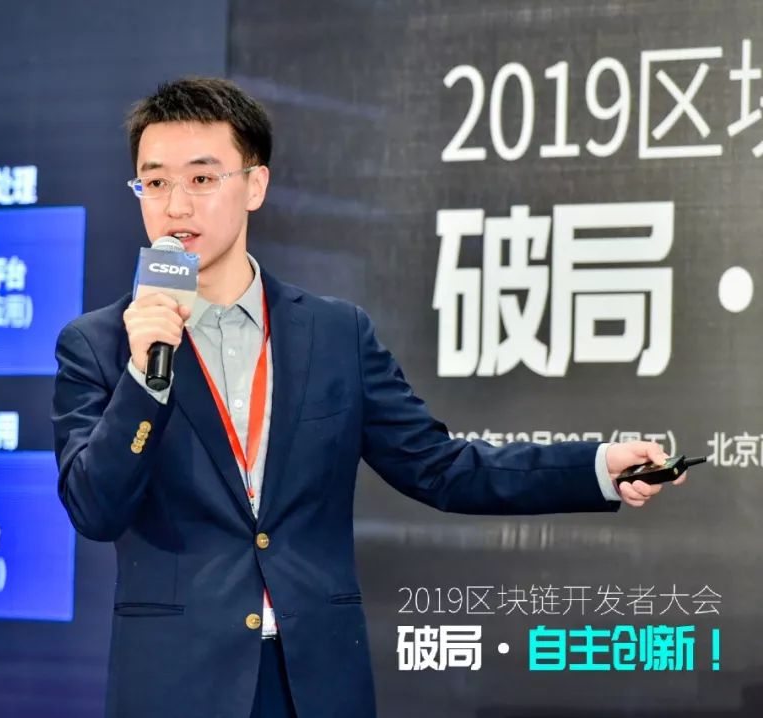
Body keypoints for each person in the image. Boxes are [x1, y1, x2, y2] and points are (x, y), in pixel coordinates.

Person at [51, 77, 686, 718]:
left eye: (201, 178)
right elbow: (95, 510)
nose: (176, 206)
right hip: (178, 686)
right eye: (155, 182)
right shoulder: (99, 345)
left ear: (255, 185)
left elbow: (440, 467)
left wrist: (594, 469)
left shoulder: (335, 333)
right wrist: (145, 379)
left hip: (316, 682)